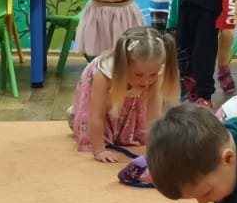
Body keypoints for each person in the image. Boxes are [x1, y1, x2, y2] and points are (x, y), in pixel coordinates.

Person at [68, 26, 180, 164]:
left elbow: (154, 115)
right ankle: (74, 115)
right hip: (104, 94)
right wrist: (99, 150)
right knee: (97, 120)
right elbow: (97, 115)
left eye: (152, 74)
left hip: (125, 91)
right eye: (139, 75)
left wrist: (154, 151)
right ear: (124, 65)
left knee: (134, 130)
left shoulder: (156, 72)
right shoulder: (102, 74)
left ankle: (120, 129)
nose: (146, 81)